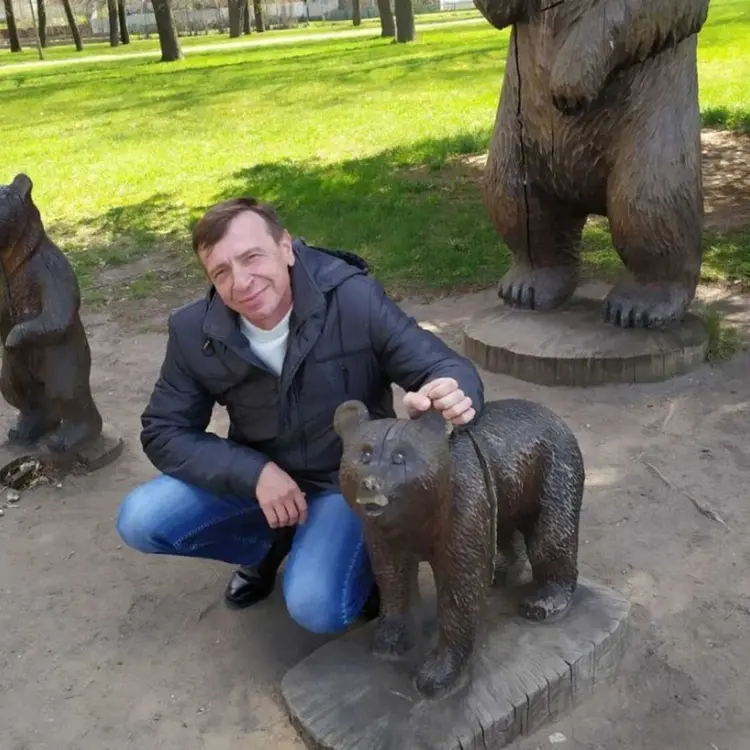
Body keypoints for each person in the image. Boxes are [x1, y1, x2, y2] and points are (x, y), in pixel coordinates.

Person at [115, 197, 485, 635]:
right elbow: (163, 430)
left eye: (252, 257)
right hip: (258, 478)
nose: (241, 282)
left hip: (346, 483)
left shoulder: (353, 298)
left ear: (286, 248)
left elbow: (440, 365)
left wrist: (452, 390)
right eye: (221, 272)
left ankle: (359, 566)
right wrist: (253, 474)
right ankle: (266, 546)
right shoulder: (194, 331)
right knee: (140, 519)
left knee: (316, 606)